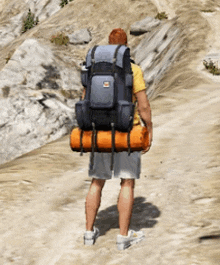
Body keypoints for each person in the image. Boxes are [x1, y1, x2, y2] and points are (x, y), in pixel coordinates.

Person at [82, 28, 153, 250]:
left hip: (100, 131)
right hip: (126, 131)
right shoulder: (133, 69)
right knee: (127, 182)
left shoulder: (94, 68)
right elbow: (143, 105)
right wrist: (149, 128)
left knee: (96, 182)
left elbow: (84, 99)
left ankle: (88, 233)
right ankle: (123, 237)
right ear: (126, 46)